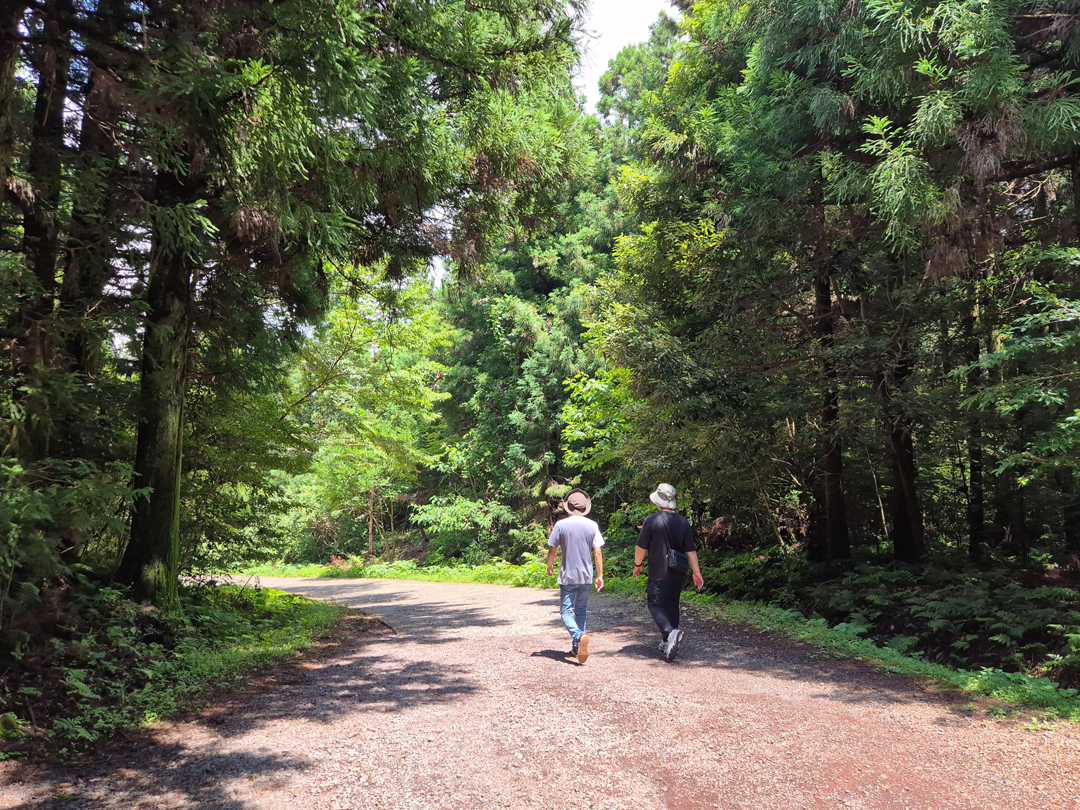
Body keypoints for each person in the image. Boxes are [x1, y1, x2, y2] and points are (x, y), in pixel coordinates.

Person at [633, 483, 704, 661]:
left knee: (655, 604)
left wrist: (637, 564)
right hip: (678, 570)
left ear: (658, 501)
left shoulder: (651, 521)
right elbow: (691, 550)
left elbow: (640, 547)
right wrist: (696, 572)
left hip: (659, 570)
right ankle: (668, 642)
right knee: (672, 604)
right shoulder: (683, 522)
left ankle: (670, 633)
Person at [546, 488, 605, 664]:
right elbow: (598, 552)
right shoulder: (592, 525)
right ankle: (576, 648)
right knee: (580, 611)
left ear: (568, 507)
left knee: (566, 611)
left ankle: (578, 637)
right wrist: (600, 575)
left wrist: (550, 565)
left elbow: (552, 548)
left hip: (568, 576)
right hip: (586, 576)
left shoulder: (561, 525)